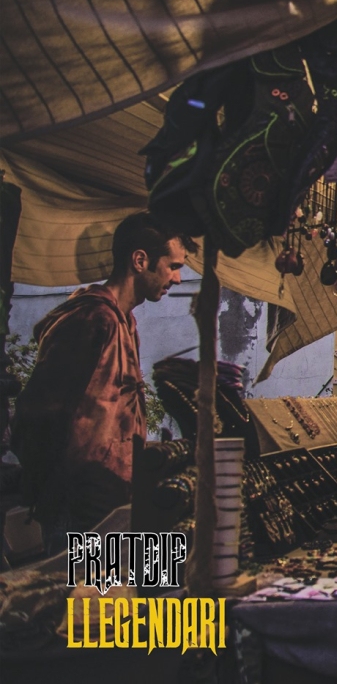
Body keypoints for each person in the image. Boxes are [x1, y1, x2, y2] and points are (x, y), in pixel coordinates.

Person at [13, 212, 193, 554]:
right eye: (173, 266)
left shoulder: (125, 323)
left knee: (144, 584)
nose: (178, 278)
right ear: (140, 260)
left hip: (116, 502)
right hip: (82, 510)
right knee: (93, 590)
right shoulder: (92, 319)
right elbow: (38, 414)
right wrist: (56, 488)